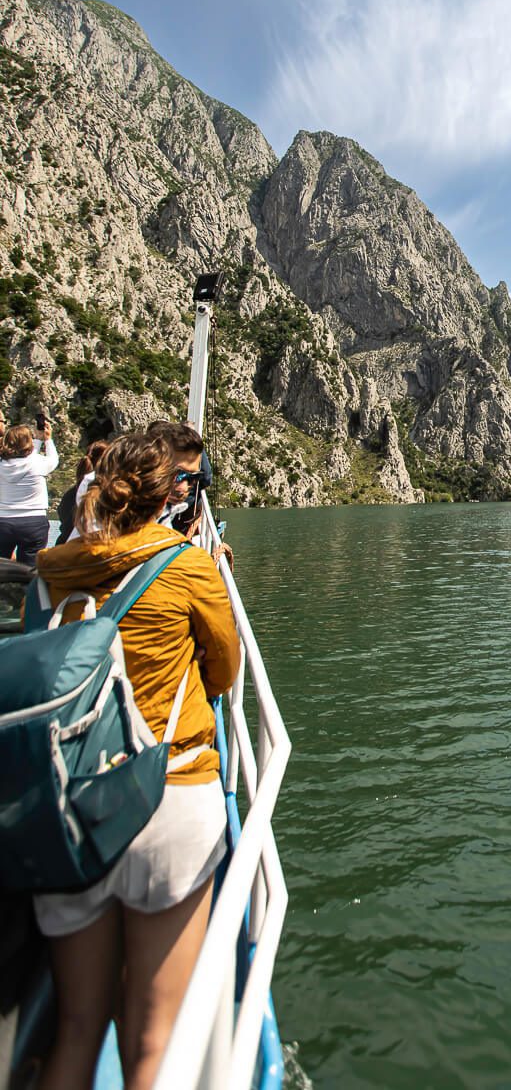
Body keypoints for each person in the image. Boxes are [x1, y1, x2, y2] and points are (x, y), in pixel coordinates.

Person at [31, 431, 240, 1090]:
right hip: (168, 798)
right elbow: (226, 671)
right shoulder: (185, 564)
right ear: (167, 495)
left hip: (68, 806)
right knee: (153, 1038)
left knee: (75, 1027)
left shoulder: (52, 570)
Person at [0, 421, 59, 567]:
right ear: (29, 443)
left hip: (3, 522)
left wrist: (39, 440)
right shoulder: (38, 463)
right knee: (31, 570)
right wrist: (47, 440)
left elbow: (26, 457)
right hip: (34, 522)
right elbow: (53, 460)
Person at [55, 439, 110, 545]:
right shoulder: (108, 494)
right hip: (90, 548)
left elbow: (64, 522)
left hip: (65, 545)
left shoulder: (71, 494)